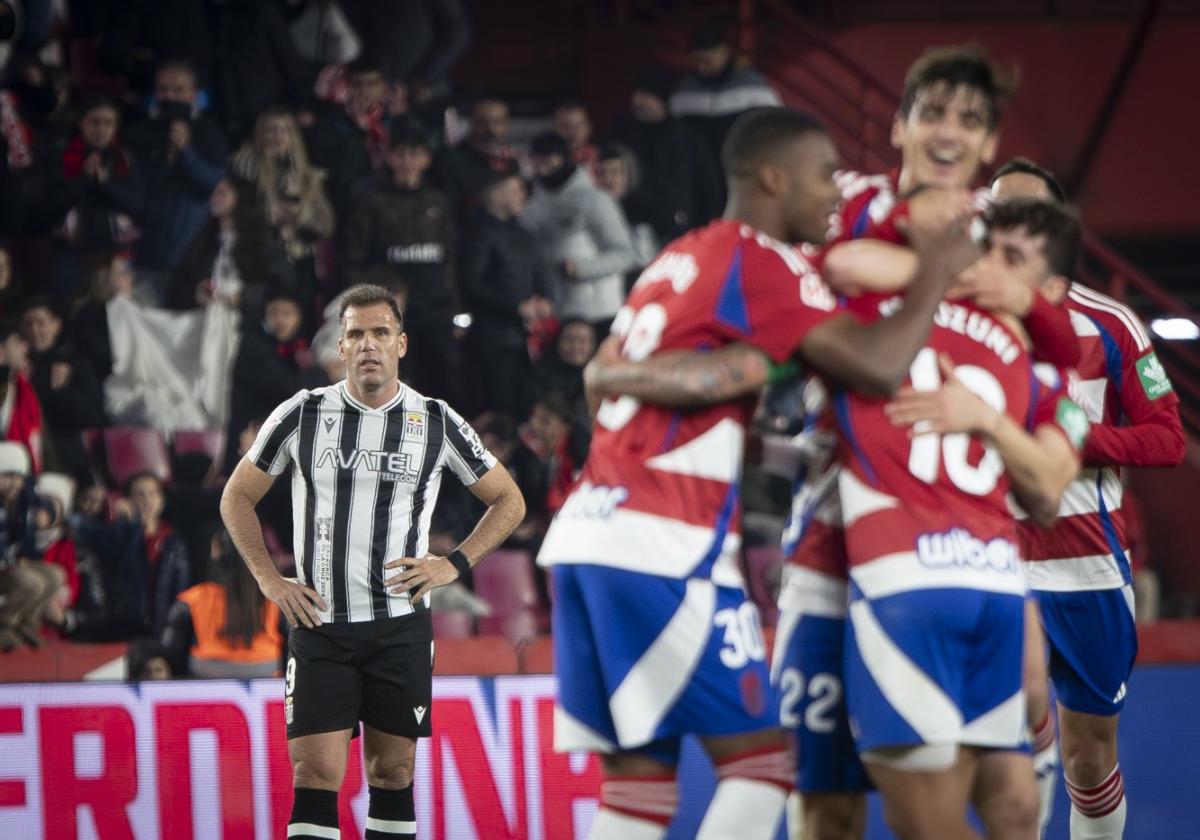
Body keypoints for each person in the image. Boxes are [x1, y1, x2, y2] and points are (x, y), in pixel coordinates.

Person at [539, 107, 979, 840]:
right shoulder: (765, 261)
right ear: (773, 178)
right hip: (665, 545)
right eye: (820, 175)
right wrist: (935, 268)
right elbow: (874, 365)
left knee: (636, 788)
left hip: (587, 537)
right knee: (764, 765)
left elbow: (597, 383)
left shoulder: (679, 257)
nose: (834, 192)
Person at [220, 283, 526, 840]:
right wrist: (269, 578)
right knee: (315, 775)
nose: (368, 344)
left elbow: (510, 500)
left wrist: (453, 563)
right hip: (321, 627)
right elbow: (235, 495)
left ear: (401, 343)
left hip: (399, 628)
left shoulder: (435, 421)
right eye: (356, 333)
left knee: (394, 773)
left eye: (380, 332)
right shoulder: (303, 414)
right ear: (340, 346)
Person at [992, 164, 1186, 839]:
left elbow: (1166, 439)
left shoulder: (1111, 323)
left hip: (1084, 567)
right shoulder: (947, 317)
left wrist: (1068, 433)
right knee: (972, 756)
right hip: (976, 558)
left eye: (1029, 215)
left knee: (1087, 753)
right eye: (999, 212)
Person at [343, 125, 462, 403]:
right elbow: (353, 257)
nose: (408, 161)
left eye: (415, 153)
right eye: (402, 153)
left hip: (435, 307)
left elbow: (450, 259)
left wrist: (454, 306)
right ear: (390, 157)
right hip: (392, 309)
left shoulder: (438, 201)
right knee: (395, 379)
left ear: (426, 159)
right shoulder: (370, 200)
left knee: (446, 380)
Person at [522, 131, 639, 334]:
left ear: (563, 159)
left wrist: (581, 269)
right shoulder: (531, 204)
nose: (543, 168)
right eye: (537, 161)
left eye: (549, 160)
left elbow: (625, 254)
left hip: (600, 311)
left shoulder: (595, 199)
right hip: (556, 314)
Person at [124, 60, 228, 288]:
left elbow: (213, 184)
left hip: (192, 248)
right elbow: (131, 187)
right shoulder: (137, 132)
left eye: (178, 90)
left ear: (194, 93)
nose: (169, 96)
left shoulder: (209, 132)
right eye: (163, 89)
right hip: (146, 246)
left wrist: (186, 153)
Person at [460, 169, 550, 420]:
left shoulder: (521, 231)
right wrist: (517, 307)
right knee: (500, 405)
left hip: (525, 336)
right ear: (494, 194)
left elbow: (536, 269)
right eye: (515, 188)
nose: (523, 195)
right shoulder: (478, 232)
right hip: (494, 338)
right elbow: (472, 283)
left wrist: (543, 298)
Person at [229, 108, 335, 312]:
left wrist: (300, 217)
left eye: (283, 130)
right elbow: (236, 214)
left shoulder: (309, 179)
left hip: (298, 262)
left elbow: (326, 225)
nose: (277, 137)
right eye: (270, 130)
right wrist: (269, 216)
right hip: (255, 262)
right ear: (260, 134)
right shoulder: (243, 172)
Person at [46, 96, 145, 299]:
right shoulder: (64, 155)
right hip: (72, 251)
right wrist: (83, 177)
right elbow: (51, 204)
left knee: (116, 311)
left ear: (116, 127)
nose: (101, 129)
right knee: (72, 306)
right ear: (81, 123)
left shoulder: (124, 160)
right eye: (95, 122)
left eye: (108, 123)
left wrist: (106, 184)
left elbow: (137, 205)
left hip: (115, 251)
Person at [611, 67, 724, 243]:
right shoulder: (622, 134)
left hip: (679, 233)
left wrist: (705, 233)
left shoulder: (688, 139)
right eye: (636, 94)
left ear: (661, 99)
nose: (637, 101)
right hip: (631, 232)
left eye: (645, 95)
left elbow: (710, 189)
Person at [162, 525, 287, 678]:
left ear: (216, 553)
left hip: (208, 671)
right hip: (266, 669)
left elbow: (170, 651)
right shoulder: (275, 597)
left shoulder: (192, 599)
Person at [669, 20, 782, 163]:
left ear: (725, 52)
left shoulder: (753, 86)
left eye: (707, 61)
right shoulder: (685, 89)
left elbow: (772, 130)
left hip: (740, 164)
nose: (701, 68)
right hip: (698, 169)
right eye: (697, 61)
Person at [19, 297, 107, 482]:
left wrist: (60, 391)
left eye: (41, 322)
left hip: (68, 461)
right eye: (28, 323)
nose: (34, 330)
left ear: (56, 325)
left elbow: (92, 417)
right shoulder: (18, 369)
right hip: (24, 458)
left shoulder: (76, 364)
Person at [553, 100, 599, 175]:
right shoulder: (540, 161)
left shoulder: (601, 158)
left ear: (589, 128)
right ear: (554, 128)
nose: (571, 131)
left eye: (578, 125)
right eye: (564, 126)